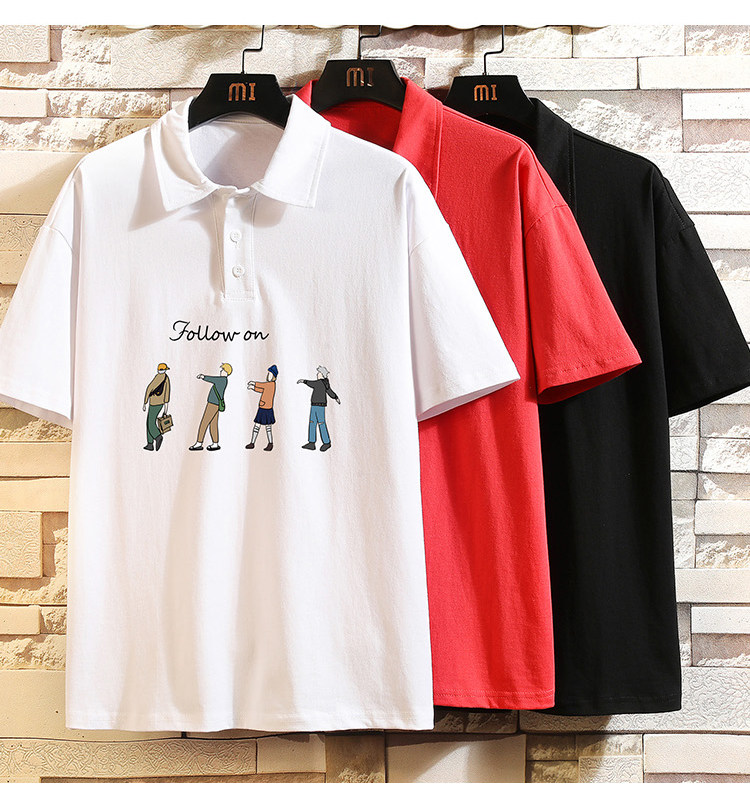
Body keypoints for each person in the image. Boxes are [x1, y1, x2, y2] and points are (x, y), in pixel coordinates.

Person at [189, 363, 231, 451]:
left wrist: (203, 377)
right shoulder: (224, 380)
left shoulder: (221, 380)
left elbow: (212, 379)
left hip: (212, 404)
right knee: (213, 424)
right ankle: (215, 443)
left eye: (222, 369)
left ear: (226, 372)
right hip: (216, 405)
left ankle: (199, 443)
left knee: (204, 423)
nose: (221, 371)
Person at [297, 365, 340, 451]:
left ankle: (326, 442)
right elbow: (330, 392)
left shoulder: (320, 383)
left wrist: (303, 381)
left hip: (319, 406)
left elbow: (311, 383)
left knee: (320, 423)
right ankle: (312, 443)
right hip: (315, 405)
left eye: (319, 373)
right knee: (313, 422)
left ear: (322, 374)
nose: (317, 374)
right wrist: (335, 397)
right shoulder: (325, 384)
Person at [247, 364, 278, 451]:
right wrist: (253, 388)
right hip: (263, 408)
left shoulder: (271, 385)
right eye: (268, 374)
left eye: (270, 374)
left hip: (267, 409)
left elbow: (262, 386)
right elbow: (261, 390)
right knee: (258, 426)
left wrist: (253, 383)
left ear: (274, 376)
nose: (268, 376)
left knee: (267, 427)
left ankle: (270, 443)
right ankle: (252, 443)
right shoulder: (269, 385)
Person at [142, 362, 170, 451]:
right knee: (149, 422)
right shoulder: (166, 378)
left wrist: (145, 402)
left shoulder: (158, 377)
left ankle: (157, 436)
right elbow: (167, 394)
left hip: (154, 404)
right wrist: (165, 409)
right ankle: (150, 444)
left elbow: (149, 388)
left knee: (150, 423)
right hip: (160, 404)